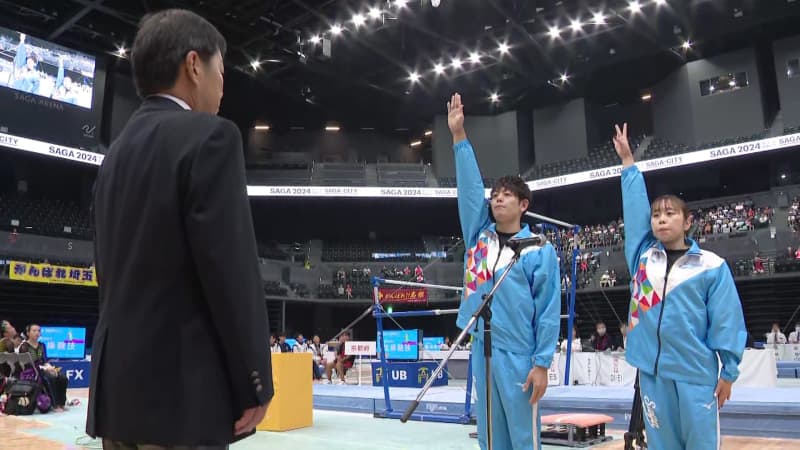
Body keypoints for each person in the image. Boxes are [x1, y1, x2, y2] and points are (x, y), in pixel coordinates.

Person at [88, 9, 272, 449]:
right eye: (220, 72)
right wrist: (255, 381)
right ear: (193, 65)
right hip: (182, 399)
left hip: (117, 398)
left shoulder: (112, 157)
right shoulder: (211, 138)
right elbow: (231, 271)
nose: (222, 86)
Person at [614, 123, 746, 450]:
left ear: (687, 223)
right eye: (656, 214)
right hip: (653, 375)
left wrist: (728, 372)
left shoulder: (711, 266)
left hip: (695, 376)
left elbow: (727, 321)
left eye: (670, 213)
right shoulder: (643, 258)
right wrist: (628, 164)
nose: (660, 219)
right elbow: (633, 214)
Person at [449, 93, 560, 450]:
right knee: (491, 437)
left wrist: (541, 363)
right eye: (495, 194)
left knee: (523, 437)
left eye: (507, 194)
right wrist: (459, 137)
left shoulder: (539, 251)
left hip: (519, 352)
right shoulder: (479, 238)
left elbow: (547, 312)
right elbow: (468, 192)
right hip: (483, 348)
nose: (497, 198)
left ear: (523, 205)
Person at [18, 324, 69, 412]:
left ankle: (61, 403)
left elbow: (45, 360)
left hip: (43, 368)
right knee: (49, 378)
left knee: (62, 377)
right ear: (28, 333)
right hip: (31, 371)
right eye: (34, 331)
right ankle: (55, 404)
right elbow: (27, 364)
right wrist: (44, 368)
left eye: (38, 331)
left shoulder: (42, 345)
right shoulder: (24, 347)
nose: (37, 333)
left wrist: (50, 367)